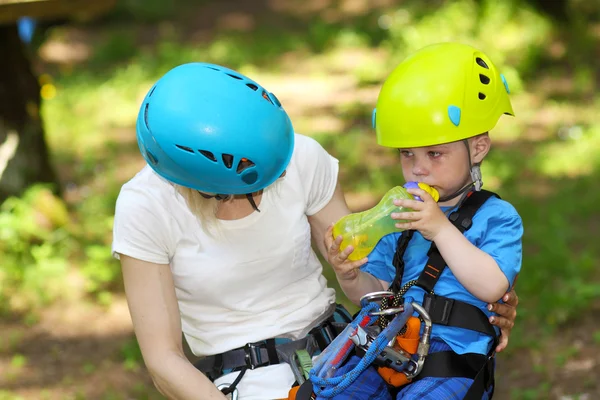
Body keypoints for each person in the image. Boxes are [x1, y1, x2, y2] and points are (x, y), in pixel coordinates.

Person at [111, 61, 519, 400]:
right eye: (239, 188)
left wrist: (461, 300)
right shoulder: (148, 206)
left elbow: (374, 274)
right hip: (243, 381)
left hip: (340, 351)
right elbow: (163, 359)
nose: (258, 196)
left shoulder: (297, 156)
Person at [324, 42, 523, 399]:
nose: (419, 168)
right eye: (407, 154)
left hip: (451, 353)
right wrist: (349, 275)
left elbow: (493, 286)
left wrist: (441, 228)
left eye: (435, 153)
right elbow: (376, 294)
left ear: (477, 148)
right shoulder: (398, 215)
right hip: (388, 344)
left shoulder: (498, 217)